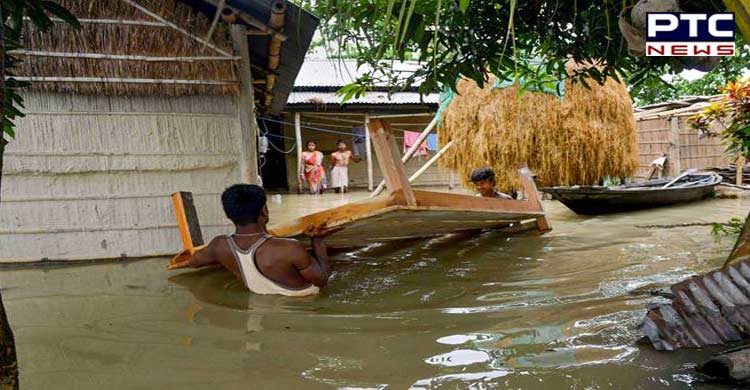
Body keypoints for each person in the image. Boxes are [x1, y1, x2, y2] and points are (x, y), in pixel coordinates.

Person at [167, 184, 339, 297]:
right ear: (264, 211)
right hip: (306, 307)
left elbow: (194, 262)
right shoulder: (290, 248)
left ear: (229, 214)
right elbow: (322, 280)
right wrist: (317, 241)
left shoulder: (219, 246)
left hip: (260, 307)